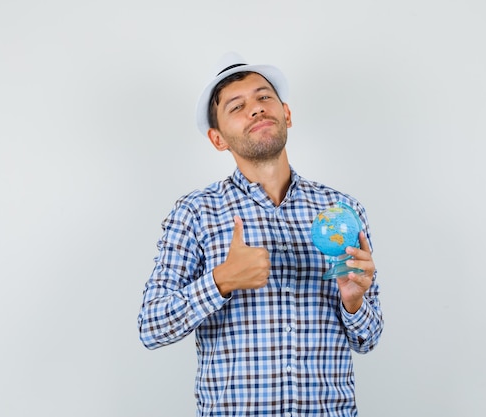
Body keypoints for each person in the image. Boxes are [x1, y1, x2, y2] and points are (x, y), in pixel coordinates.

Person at [137, 52, 384, 417]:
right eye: (237, 106)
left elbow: (369, 338)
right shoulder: (195, 213)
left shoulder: (342, 211)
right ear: (218, 139)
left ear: (286, 114)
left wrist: (353, 302)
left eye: (264, 97)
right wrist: (221, 281)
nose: (255, 109)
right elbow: (152, 326)